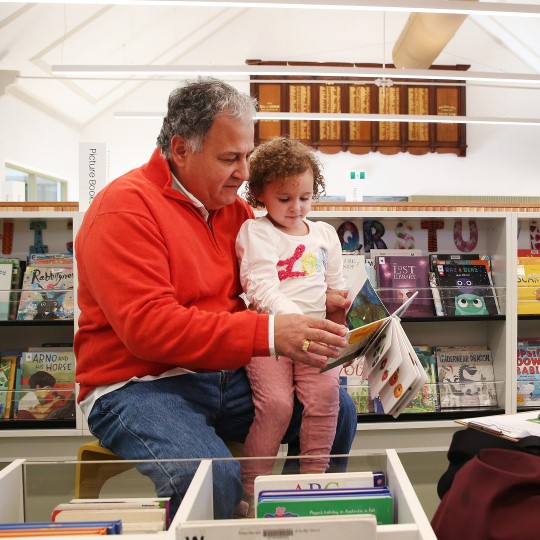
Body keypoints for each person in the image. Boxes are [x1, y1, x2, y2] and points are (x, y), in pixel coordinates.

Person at [74, 77, 357, 520]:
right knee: (212, 478)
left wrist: (328, 306)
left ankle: (296, 517)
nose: (245, 174)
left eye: (246, 156)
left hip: (223, 374)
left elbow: (270, 284)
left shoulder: (237, 211)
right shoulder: (123, 210)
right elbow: (150, 331)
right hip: (138, 385)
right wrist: (270, 332)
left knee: (339, 410)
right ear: (181, 149)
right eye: (230, 158)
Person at [235, 137, 346, 516]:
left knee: (326, 398)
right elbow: (260, 285)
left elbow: (334, 285)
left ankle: (313, 480)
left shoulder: (325, 234)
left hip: (314, 334)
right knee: (277, 405)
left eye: (306, 197)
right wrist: (292, 321)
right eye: (285, 199)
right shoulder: (257, 232)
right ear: (261, 193)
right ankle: (252, 490)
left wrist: (340, 302)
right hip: (268, 335)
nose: (296, 208)